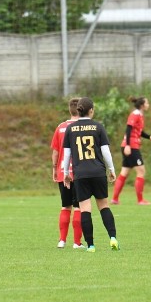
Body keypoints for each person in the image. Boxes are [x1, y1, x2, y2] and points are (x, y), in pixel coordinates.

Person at [61, 97, 119, 252]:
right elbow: (106, 151)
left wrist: (66, 173)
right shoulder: (98, 127)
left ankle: (91, 245)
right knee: (104, 206)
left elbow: (66, 155)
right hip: (98, 173)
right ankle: (113, 238)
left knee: (85, 209)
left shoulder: (70, 129)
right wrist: (111, 169)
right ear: (91, 110)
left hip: (80, 174)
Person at [50, 97, 84, 249]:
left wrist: (54, 168)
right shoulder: (83, 127)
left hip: (63, 172)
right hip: (80, 172)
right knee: (79, 207)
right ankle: (77, 243)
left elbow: (56, 151)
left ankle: (62, 240)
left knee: (65, 206)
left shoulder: (61, 127)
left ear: (70, 110)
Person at [111, 96, 151, 205]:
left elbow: (138, 131)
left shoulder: (139, 115)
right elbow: (128, 129)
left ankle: (115, 199)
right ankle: (140, 200)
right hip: (131, 146)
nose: (148, 105)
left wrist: (149, 137)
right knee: (141, 171)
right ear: (142, 105)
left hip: (130, 146)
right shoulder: (135, 114)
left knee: (124, 172)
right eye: (147, 103)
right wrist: (127, 146)